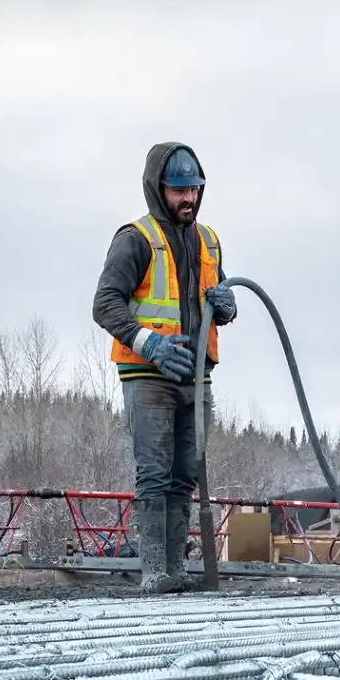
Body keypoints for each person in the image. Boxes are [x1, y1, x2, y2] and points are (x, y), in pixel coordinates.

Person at [92, 143, 236, 594]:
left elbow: (212, 303)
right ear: (159, 190)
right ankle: (153, 570)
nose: (188, 199)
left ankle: (175, 569)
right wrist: (147, 341)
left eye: (194, 189)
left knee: (186, 474)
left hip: (196, 376)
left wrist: (226, 307)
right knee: (153, 473)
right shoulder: (135, 239)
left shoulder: (208, 239)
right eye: (179, 191)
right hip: (148, 375)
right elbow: (105, 304)